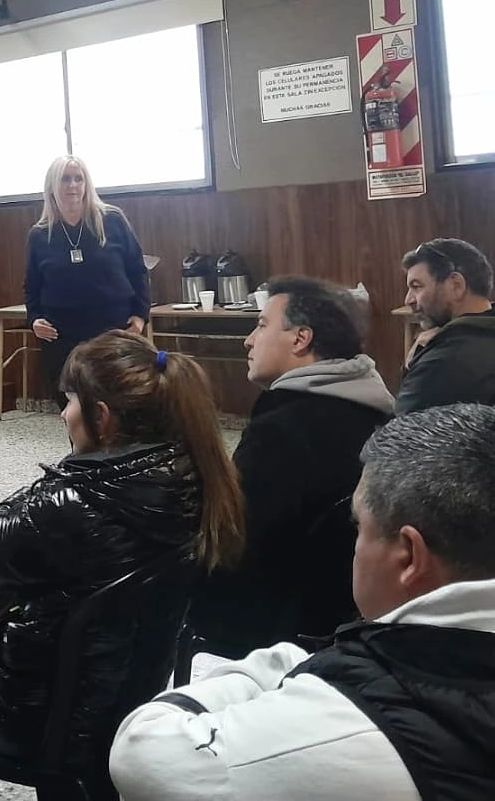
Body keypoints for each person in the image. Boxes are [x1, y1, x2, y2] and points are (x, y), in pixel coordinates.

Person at [109, 404, 495, 801]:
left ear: (409, 557)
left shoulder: (343, 727)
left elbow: (141, 751)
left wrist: (286, 663)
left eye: (358, 526)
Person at [0, 330, 244, 796]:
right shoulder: (194, 475)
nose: (63, 414)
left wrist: (66, 473)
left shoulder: (69, 504)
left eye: (70, 401)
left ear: (102, 417)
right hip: (130, 697)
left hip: (44, 719)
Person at [187, 276, 394, 656]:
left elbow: (233, 548)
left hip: (276, 632)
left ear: (301, 339)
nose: (249, 340)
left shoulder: (282, 433)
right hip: (349, 616)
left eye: (261, 324)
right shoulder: (376, 410)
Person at [25, 156, 150, 406]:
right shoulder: (39, 234)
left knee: (116, 403)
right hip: (61, 335)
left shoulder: (112, 220)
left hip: (112, 328)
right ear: (52, 186)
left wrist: (140, 316)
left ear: (86, 184)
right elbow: (32, 287)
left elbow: (138, 270)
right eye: (65, 179)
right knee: (74, 407)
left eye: (78, 179)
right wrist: (34, 319)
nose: (72, 185)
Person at [395, 237, 495, 413]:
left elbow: (399, 426)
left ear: (456, 285)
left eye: (417, 286)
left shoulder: (443, 362)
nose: (408, 299)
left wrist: (415, 362)